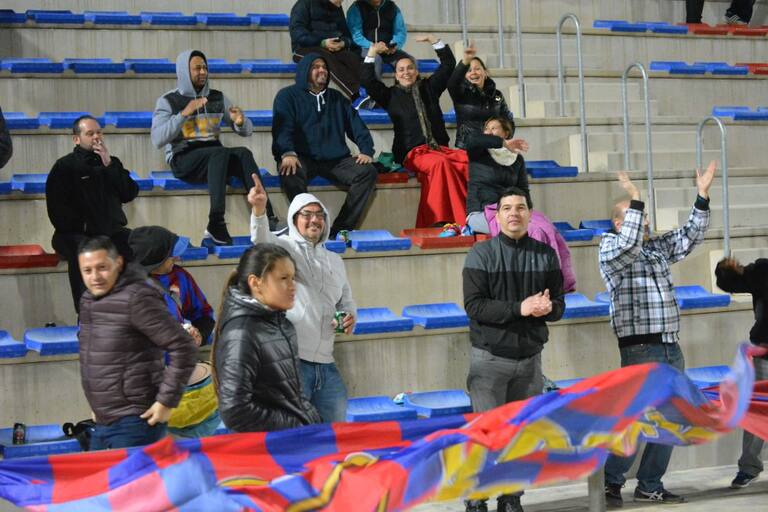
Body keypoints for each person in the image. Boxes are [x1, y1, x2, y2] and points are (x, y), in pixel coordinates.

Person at [600, 164, 715, 506]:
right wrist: (635, 197)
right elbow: (628, 245)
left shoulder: (656, 248)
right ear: (618, 223)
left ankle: (649, 483)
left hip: (670, 347)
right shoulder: (610, 248)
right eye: (637, 215)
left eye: (645, 215)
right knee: (636, 420)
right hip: (639, 350)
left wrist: (702, 196)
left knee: (671, 419)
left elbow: (690, 236)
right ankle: (610, 481)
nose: (645, 221)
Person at [462, 187, 565, 512]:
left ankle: (511, 498)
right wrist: (521, 308)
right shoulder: (481, 254)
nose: (514, 214)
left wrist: (549, 308)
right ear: (498, 215)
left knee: (520, 437)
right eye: (507, 208)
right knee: (485, 436)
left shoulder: (545, 255)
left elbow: (559, 305)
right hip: (489, 360)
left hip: (530, 361)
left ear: (529, 214)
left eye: (520, 207)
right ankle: (477, 499)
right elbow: (474, 306)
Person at [249, 176, 356, 422]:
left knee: (334, 433)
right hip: (292, 362)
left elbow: (347, 301)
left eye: (319, 215)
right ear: (294, 219)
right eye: (307, 214)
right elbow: (261, 241)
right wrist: (259, 210)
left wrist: (351, 316)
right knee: (292, 431)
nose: (314, 219)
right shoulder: (284, 248)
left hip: (327, 363)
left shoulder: (335, 260)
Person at [77, 236, 197, 450]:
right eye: (87, 270)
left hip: (136, 420)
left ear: (118, 263)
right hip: (103, 419)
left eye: (102, 268)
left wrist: (166, 401)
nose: (95, 277)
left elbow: (183, 346)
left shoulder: (138, 298)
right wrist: (98, 404)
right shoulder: (88, 299)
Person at [151, 49, 276, 246]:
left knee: (243, 153)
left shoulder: (217, 97)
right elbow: (158, 139)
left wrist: (240, 122)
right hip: (183, 159)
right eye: (197, 68)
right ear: (184, 71)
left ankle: (268, 217)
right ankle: (216, 222)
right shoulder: (168, 101)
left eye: (205, 68)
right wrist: (184, 114)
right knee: (219, 152)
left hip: (215, 160)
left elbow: (246, 130)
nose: (202, 72)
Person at [213, 244, 322, 432]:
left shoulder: (283, 324)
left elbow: (293, 396)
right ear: (255, 283)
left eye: (293, 278)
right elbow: (235, 411)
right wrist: (297, 425)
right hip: (275, 445)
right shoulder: (241, 333)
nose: (293, 286)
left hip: (297, 438)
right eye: (283, 278)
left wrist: (310, 421)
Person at [362, 35, 467, 227]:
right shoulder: (389, 96)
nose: (406, 72)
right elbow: (368, 81)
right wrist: (371, 53)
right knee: (440, 164)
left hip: (439, 149)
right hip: (412, 152)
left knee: (467, 162)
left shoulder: (430, 88)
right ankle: (447, 220)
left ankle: (477, 213)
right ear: (395, 75)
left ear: (417, 71)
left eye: (410, 68)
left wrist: (435, 41)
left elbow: (448, 65)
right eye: (401, 70)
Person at [272, 53, 378, 237]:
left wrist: (366, 150)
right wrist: (287, 152)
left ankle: (340, 229)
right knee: (289, 170)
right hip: (302, 157)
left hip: (336, 160)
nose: (322, 70)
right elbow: (282, 129)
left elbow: (357, 126)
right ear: (305, 71)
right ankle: (303, 226)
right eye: (315, 67)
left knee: (367, 172)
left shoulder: (337, 98)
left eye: (324, 67)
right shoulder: (287, 96)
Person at [46, 115, 139, 313]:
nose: (96, 137)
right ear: (76, 139)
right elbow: (57, 212)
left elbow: (129, 193)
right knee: (86, 251)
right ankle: (86, 313)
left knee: (141, 244)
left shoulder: (112, 163)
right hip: (75, 233)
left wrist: (109, 164)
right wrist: (87, 227)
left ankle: (135, 309)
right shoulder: (64, 167)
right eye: (90, 133)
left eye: (99, 132)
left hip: (111, 231)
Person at [715, 255, 768, 489]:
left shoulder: (760, 271)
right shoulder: (758, 272)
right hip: (763, 349)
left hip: (763, 348)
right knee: (758, 410)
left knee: (758, 410)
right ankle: (749, 467)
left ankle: (749, 467)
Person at [128, 226, 215, 345]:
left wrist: (200, 335)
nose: (177, 258)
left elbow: (203, 313)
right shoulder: (130, 289)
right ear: (156, 261)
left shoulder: (180, 277)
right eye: (171, 255)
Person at [290, 0, 362, 100]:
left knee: (352, 58)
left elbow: (346, 35)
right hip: (304, 48)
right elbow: (297, 34)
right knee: (325, 60)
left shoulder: (336, 7)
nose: (340, 2)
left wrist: (343, 43)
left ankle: (371, 94)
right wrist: (322, 43)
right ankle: (357, 96)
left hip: (331, 48)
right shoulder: (304, 4)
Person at [447, 42, 515, 150]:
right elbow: (452, 83)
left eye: (477, 69)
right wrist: (465, 61)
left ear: (485, 72)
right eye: (469, 70)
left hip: (494, 147)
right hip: (469, 148)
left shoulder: (497, 95)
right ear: (465, 76)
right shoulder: (460, 93)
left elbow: (507, 119)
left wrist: (506, 135)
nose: (473, 72)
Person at [346, 0, 408, 103]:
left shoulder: (392, 7)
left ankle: (407, 98)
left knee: (407, 61)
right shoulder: (356, 8)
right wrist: (374, 47)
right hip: (364, 48)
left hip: (387, 49)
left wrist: (394, 45)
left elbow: (400, 32)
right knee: (375, 60)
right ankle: (374, 99)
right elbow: (356, 35)